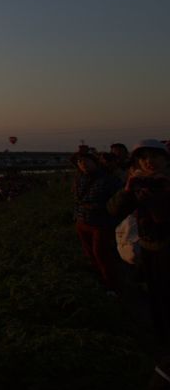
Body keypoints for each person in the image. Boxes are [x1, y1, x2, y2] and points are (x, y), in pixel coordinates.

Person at [109, 140, 170, 351]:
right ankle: (161, 341)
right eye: (143, 158)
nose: (149, 161)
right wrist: (127, 191)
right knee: (156, 297)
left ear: (165, 159)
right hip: (149, 249)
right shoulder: (139, 183)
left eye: (155, 156)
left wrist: (157, 197)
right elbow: (115, 211)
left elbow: (162, 218)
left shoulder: (165, 183)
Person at [71, 149, 124, 294]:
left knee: (102, 254)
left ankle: (112, 286)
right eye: (79, 162)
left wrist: (94, 207)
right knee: (90, 254)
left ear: (95, 162)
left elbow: (118, 202)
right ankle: (100, 281)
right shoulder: (79, 179)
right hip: (82, 222)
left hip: (101, 223)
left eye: (86, 161)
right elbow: (76, 201)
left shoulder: (109, 180)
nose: (83, 164)